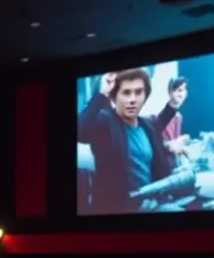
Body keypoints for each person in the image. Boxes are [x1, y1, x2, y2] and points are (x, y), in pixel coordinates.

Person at [76, 68, 181, 213]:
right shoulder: (106, 122)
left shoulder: (146, 125)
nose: (133, 99)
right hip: (120, 209)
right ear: (115, 97)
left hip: (152, 202)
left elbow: (159, 123)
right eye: (126, 93)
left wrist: (173, 104)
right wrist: (102, 94)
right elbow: (79, 130)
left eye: (138, 93)